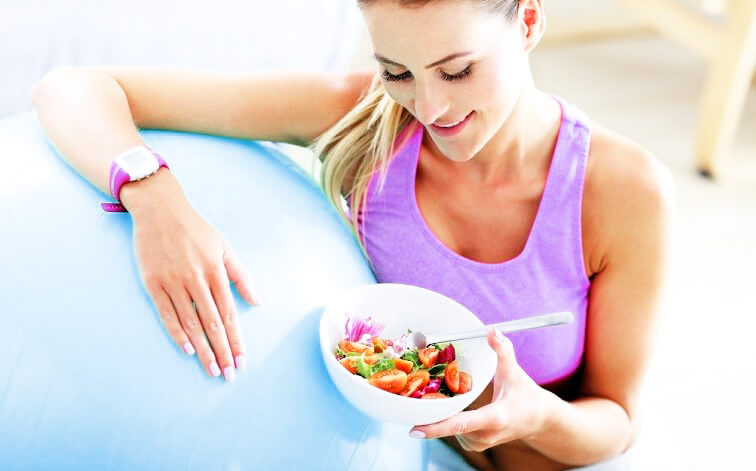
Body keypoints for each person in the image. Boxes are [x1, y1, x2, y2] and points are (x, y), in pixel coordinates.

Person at [31, 0, 675, 469]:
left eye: (457, 71)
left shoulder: (622, 191)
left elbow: (616, 422)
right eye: (398, 71)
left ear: (529, 21)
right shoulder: (368, 118)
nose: (430, 109)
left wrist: (533, 415)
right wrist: (156, 200)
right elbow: (74, 88)